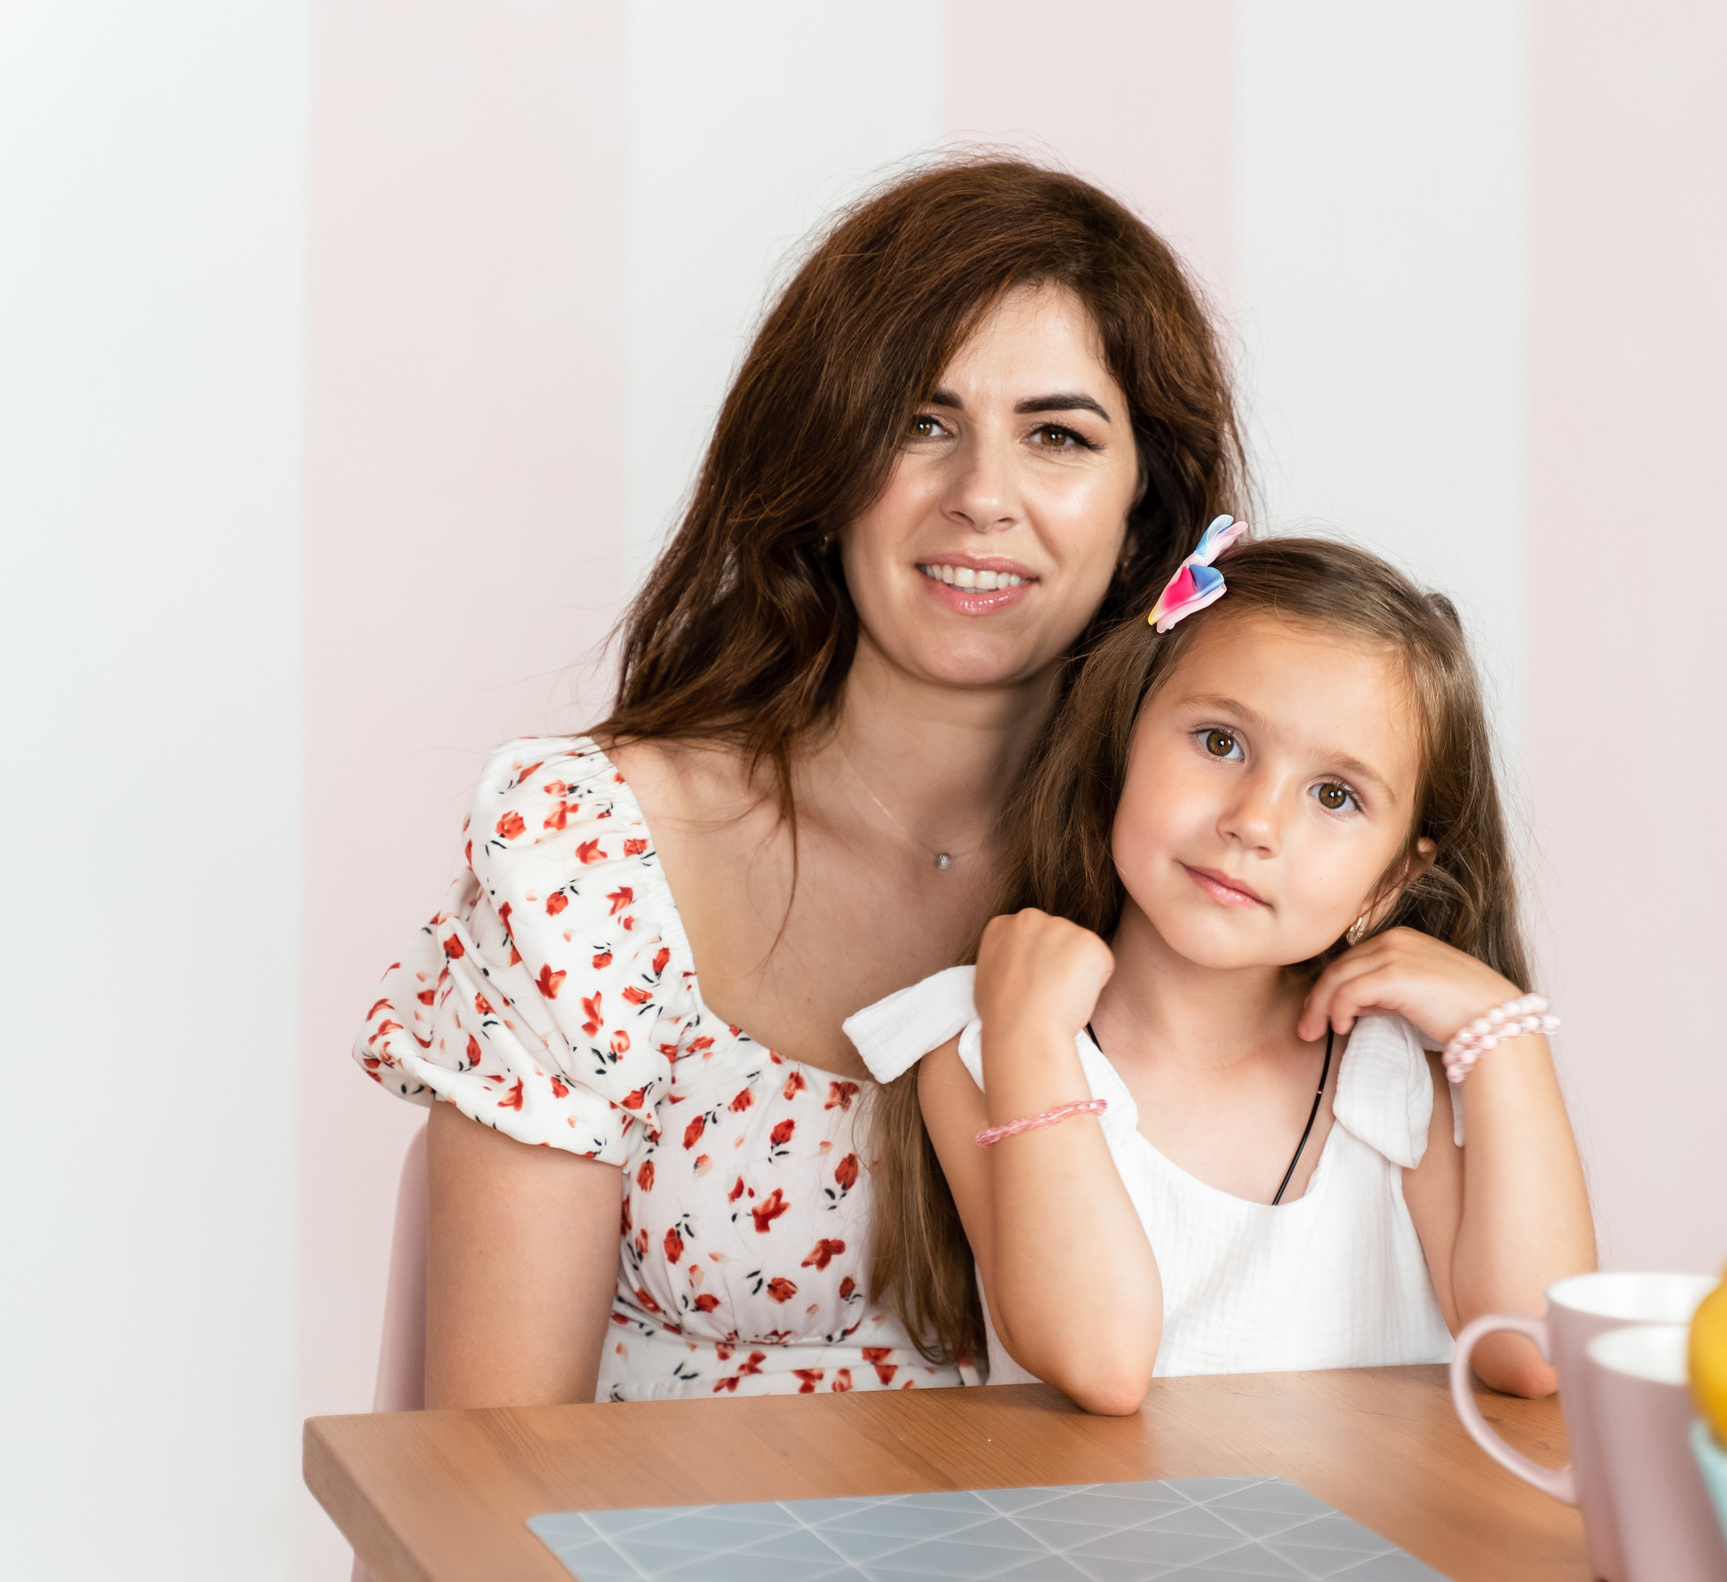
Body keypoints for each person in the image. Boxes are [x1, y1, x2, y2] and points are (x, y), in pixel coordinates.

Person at [355, 157, 1248, 1406]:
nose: (982, 496)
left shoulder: (1233, 871)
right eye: (920, 424)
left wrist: (1491, 1046)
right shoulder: (586, 851)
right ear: (825, 471)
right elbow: (502, 1479)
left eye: (1057, 435)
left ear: (1144, 510)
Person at [849, 535, 1598, 1414]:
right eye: (1219, 741)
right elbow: (1102, 1361)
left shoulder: (1397, 1071)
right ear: (1123, 740)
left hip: (1371, 1548)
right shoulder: (986, 1043)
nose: (1254, 822)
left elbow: (1533, 1353)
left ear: (1393, 879)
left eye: (1334, 795)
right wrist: (1028, 1034)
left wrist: (1504, 1036)